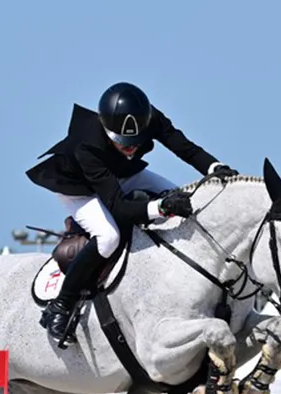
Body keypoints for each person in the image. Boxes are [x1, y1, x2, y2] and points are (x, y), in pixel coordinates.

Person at [25, 82, 239, 345]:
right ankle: (61, 304)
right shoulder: (86, 145)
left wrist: (215, 168)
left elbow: (185, 147)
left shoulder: (149, 117)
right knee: (108, 236)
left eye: (134, 141)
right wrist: (162, 207)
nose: (130, 147)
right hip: (80, 188)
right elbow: (118, 206)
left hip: (122, 174)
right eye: (121, 141)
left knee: (189, 202)